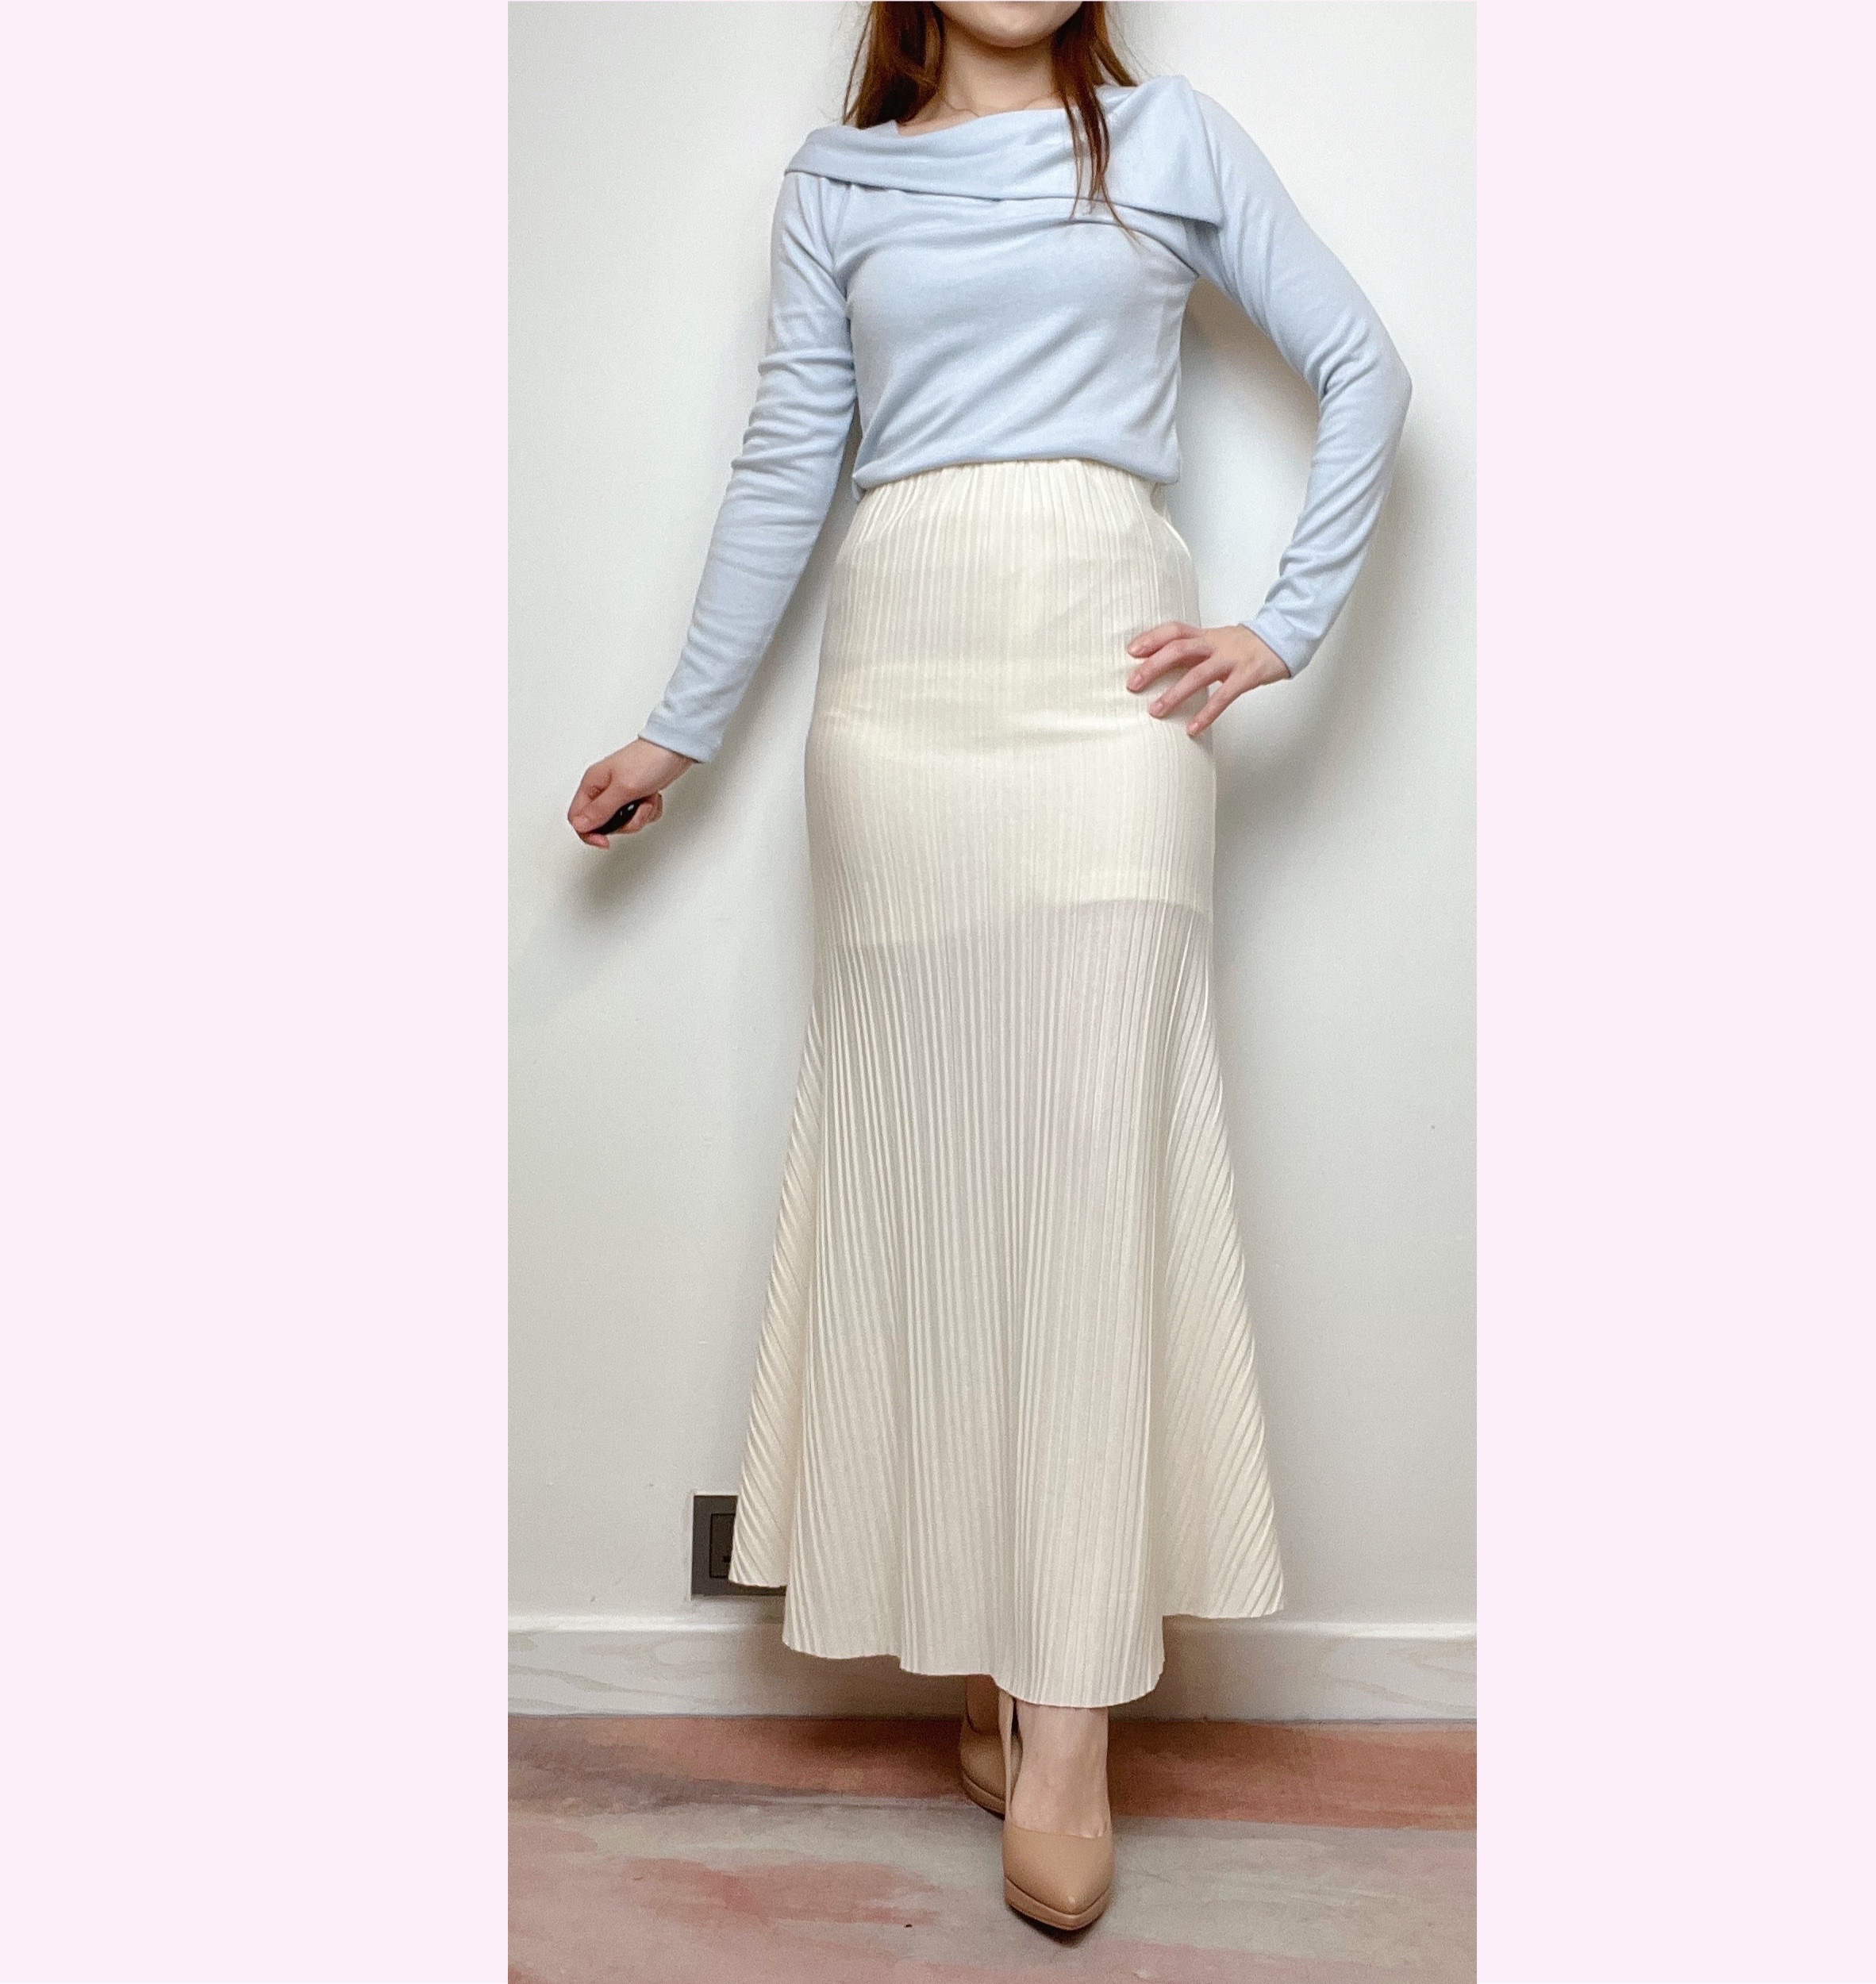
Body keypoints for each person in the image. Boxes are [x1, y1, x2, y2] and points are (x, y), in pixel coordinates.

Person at [567, 0, 1410, 1934]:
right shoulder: (834, 181)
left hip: (1105, 678)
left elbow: (1365, 371)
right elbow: (790, 455)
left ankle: (1071, 1715)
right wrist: (680, 730)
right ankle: (983, 1639)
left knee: (1091, 1178)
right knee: (938, 1186)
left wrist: (1281, 621)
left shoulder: (1171, 140)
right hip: (901, 690)